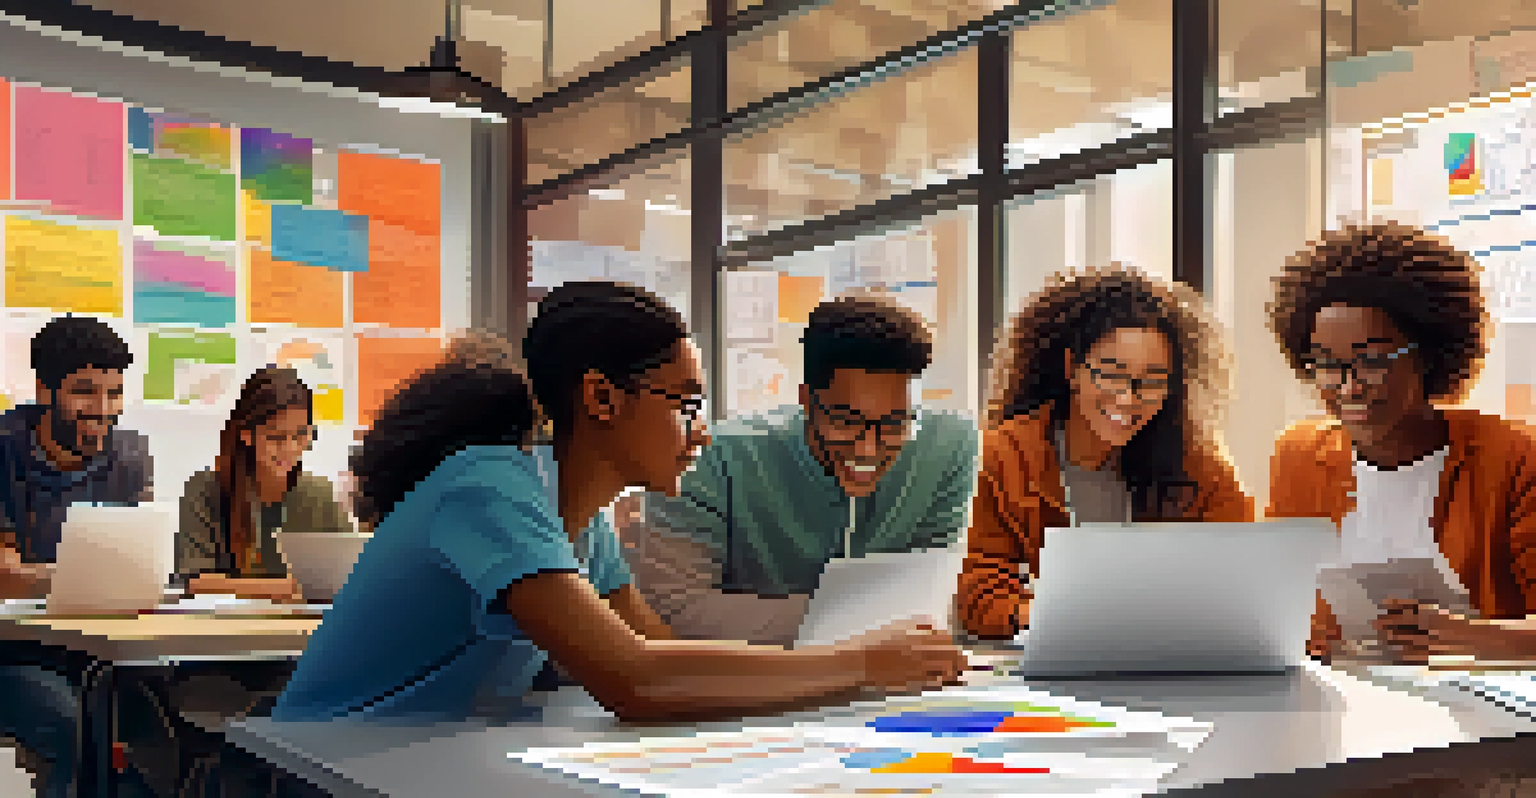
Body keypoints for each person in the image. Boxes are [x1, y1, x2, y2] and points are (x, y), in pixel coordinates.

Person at [272, 283, 967, 724]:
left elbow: (661, 651)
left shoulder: (579, 518)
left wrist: (837, 676)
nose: (701, 433)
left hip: (421, 762)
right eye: (685, 406)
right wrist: (860, 665)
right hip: (323, 766)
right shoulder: (490, 486)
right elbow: (634, 679)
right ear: (602, 397)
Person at [621, 294, 978, 646]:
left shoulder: (950, 446)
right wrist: (859, 621)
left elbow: (926, 595)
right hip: (748, 683)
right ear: (806, 400)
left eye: (895, 423)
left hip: (880, 685)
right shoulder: (708, 457)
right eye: (844, 421)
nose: (868, 448)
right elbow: (674, 610)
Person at [1265, 222, 1536, 663]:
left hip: (1482, 718)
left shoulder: (1516, 458)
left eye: (1371, 361)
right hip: (1340, 705)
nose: (1348, 387)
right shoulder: (1297, 455)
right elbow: (1277, 599)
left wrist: (1465, 637)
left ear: (1428, 355)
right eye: (1327, 365)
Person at [958, 265, 1255, 640]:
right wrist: (1068, 614)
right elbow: (977, 594)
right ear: (1072, 369)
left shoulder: (1201, 468)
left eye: (1151, 381)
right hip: (1051, 658)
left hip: (1165, 656)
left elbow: (1241, 577)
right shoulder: (998, 458)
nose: (1129, 397)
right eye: (1111, 374)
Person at [0, 315, 151, 798]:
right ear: (45, 391)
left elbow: (139, 558)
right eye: (84, 391)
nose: (102, 409)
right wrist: (91, 574)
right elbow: (4, 578)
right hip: (13, 655)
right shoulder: (5, 450)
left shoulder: (129, 457)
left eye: (114, 393)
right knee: (74, 722)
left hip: (97, 652)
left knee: (170, 718)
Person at [179, 365, 354, 602]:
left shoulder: (320, 494)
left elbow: (353, 574)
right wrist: (287, 588)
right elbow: (197, 583)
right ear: (246, 434)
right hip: (227, 630)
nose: (291, 448)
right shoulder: (205, 490)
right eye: (276, 437)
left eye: (301, 435)